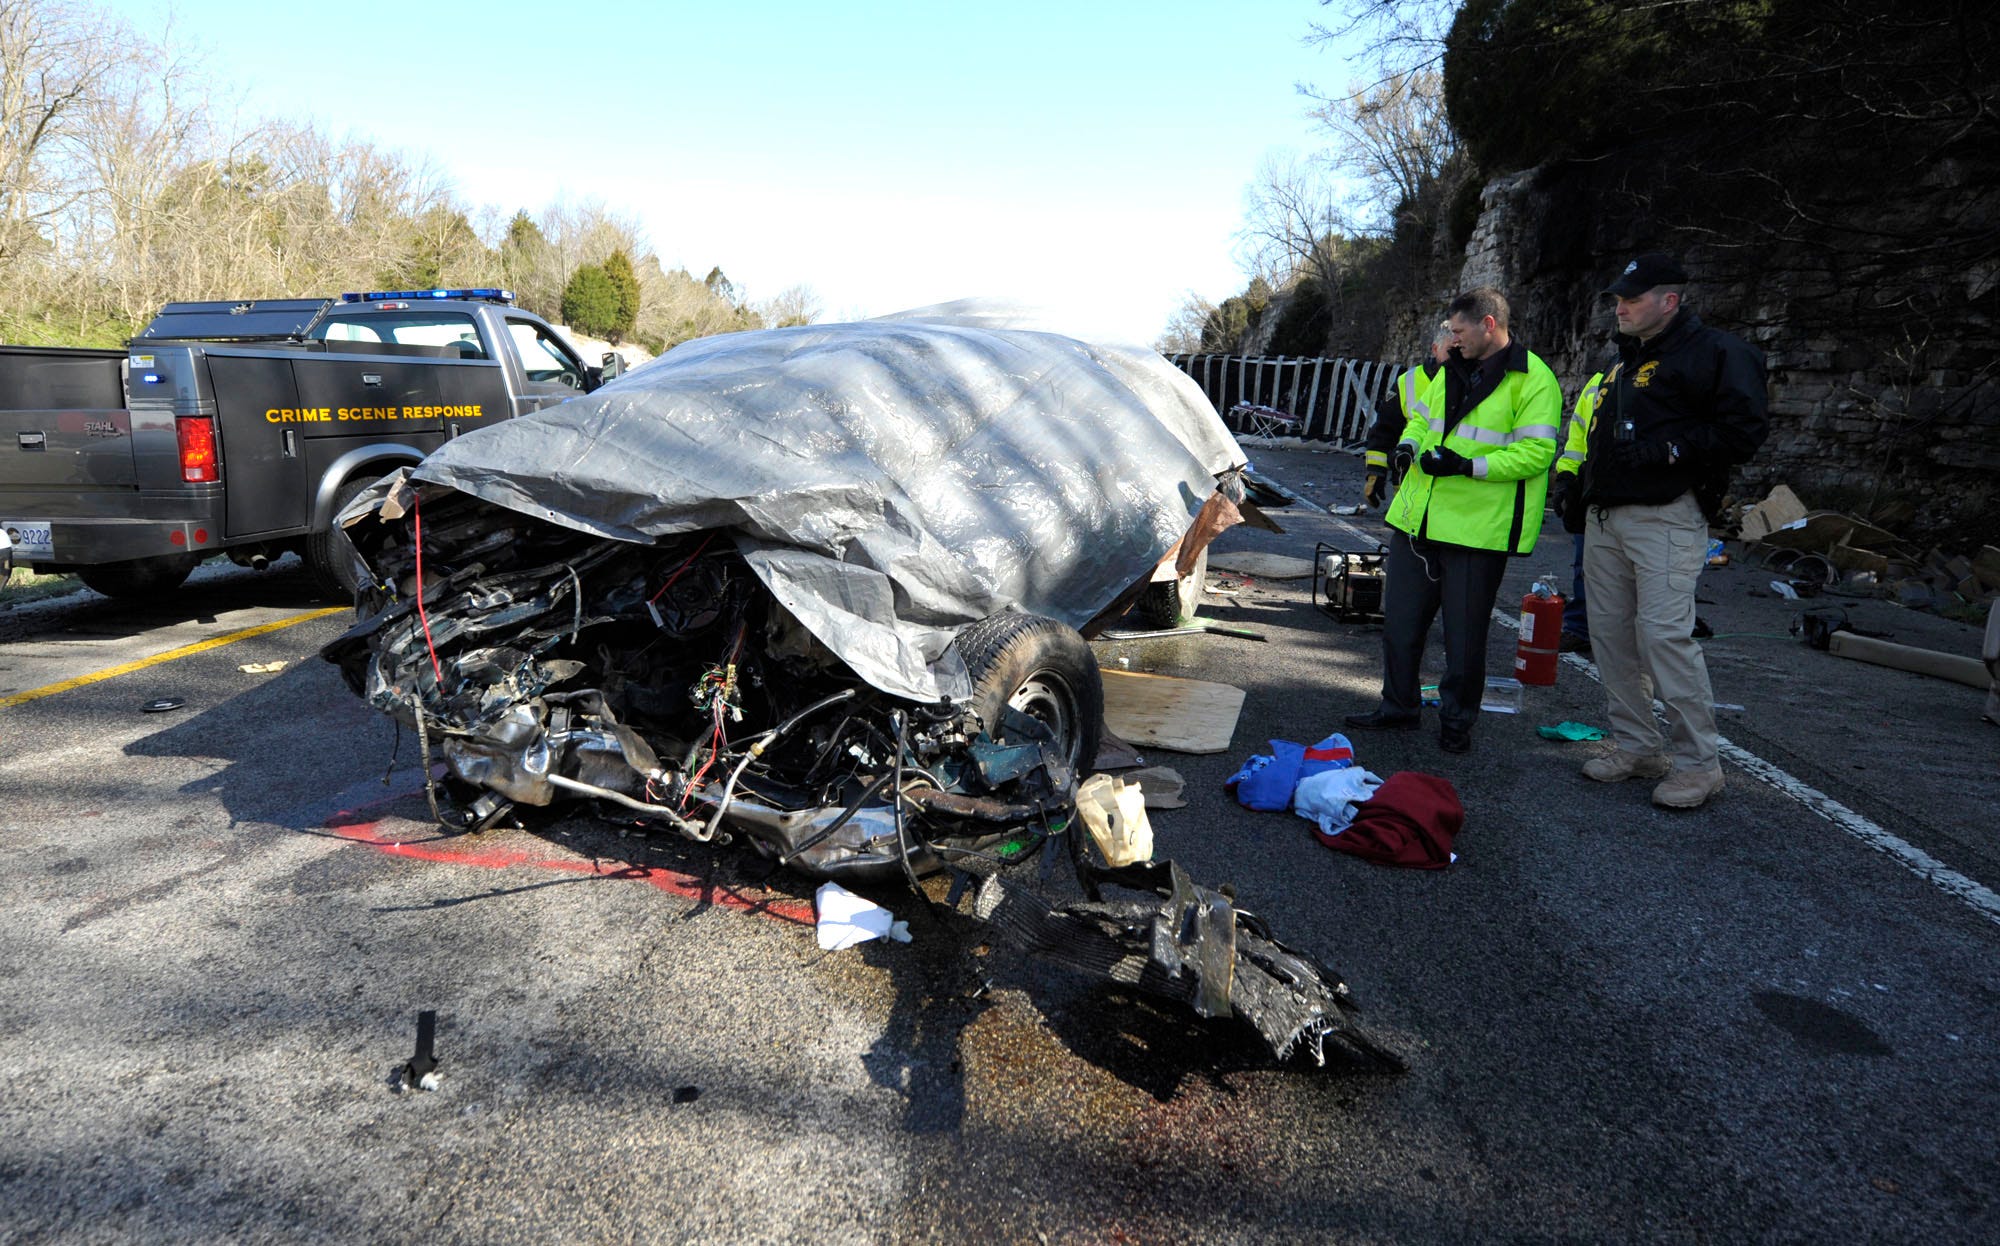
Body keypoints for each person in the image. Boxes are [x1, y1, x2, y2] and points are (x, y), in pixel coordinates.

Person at [1576, 252, 1768, 808]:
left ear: (1670, 300)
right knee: (1611, 637)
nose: (1621, 308)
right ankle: (1638, 747)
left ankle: (1699, 765)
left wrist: (1672, 450)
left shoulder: (1716, 352)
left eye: (1632, 299)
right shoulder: (1626, 360)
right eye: (1617, 299)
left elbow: (1744, 430)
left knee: (1663, 636)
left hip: (1666, 514)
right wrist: (1579, 487)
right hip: (1607, 515)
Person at [1345, 287, 1561, 753]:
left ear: (1488, 325)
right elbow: (1420, 420)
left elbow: (1537, 453)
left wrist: (1467, 466)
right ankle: (1397, 707)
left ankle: (1457, 723)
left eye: (1459, 331)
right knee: (1400, 626)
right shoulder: (1451, 370)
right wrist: (1407, 446)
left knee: (1464, 640)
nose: (1452, 339)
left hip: (1475, 530)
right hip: (1418, 521)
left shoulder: (1534, 380)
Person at [1361, 324, 1454, 510]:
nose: (1457, 357)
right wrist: (1376, 471)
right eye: (1451, 351)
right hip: (1409, 480)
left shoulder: (1476, 382)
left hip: (1453, 484)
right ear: (1435, 349)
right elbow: (1385, 429)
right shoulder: (1408, 381)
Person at [1550, 371, 1606, 652]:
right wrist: (1567, 478)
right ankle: (1580, 627)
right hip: (1589, 488)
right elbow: (1576, 439)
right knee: (1584, 565)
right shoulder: (1598, 381)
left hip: (1626, 491)